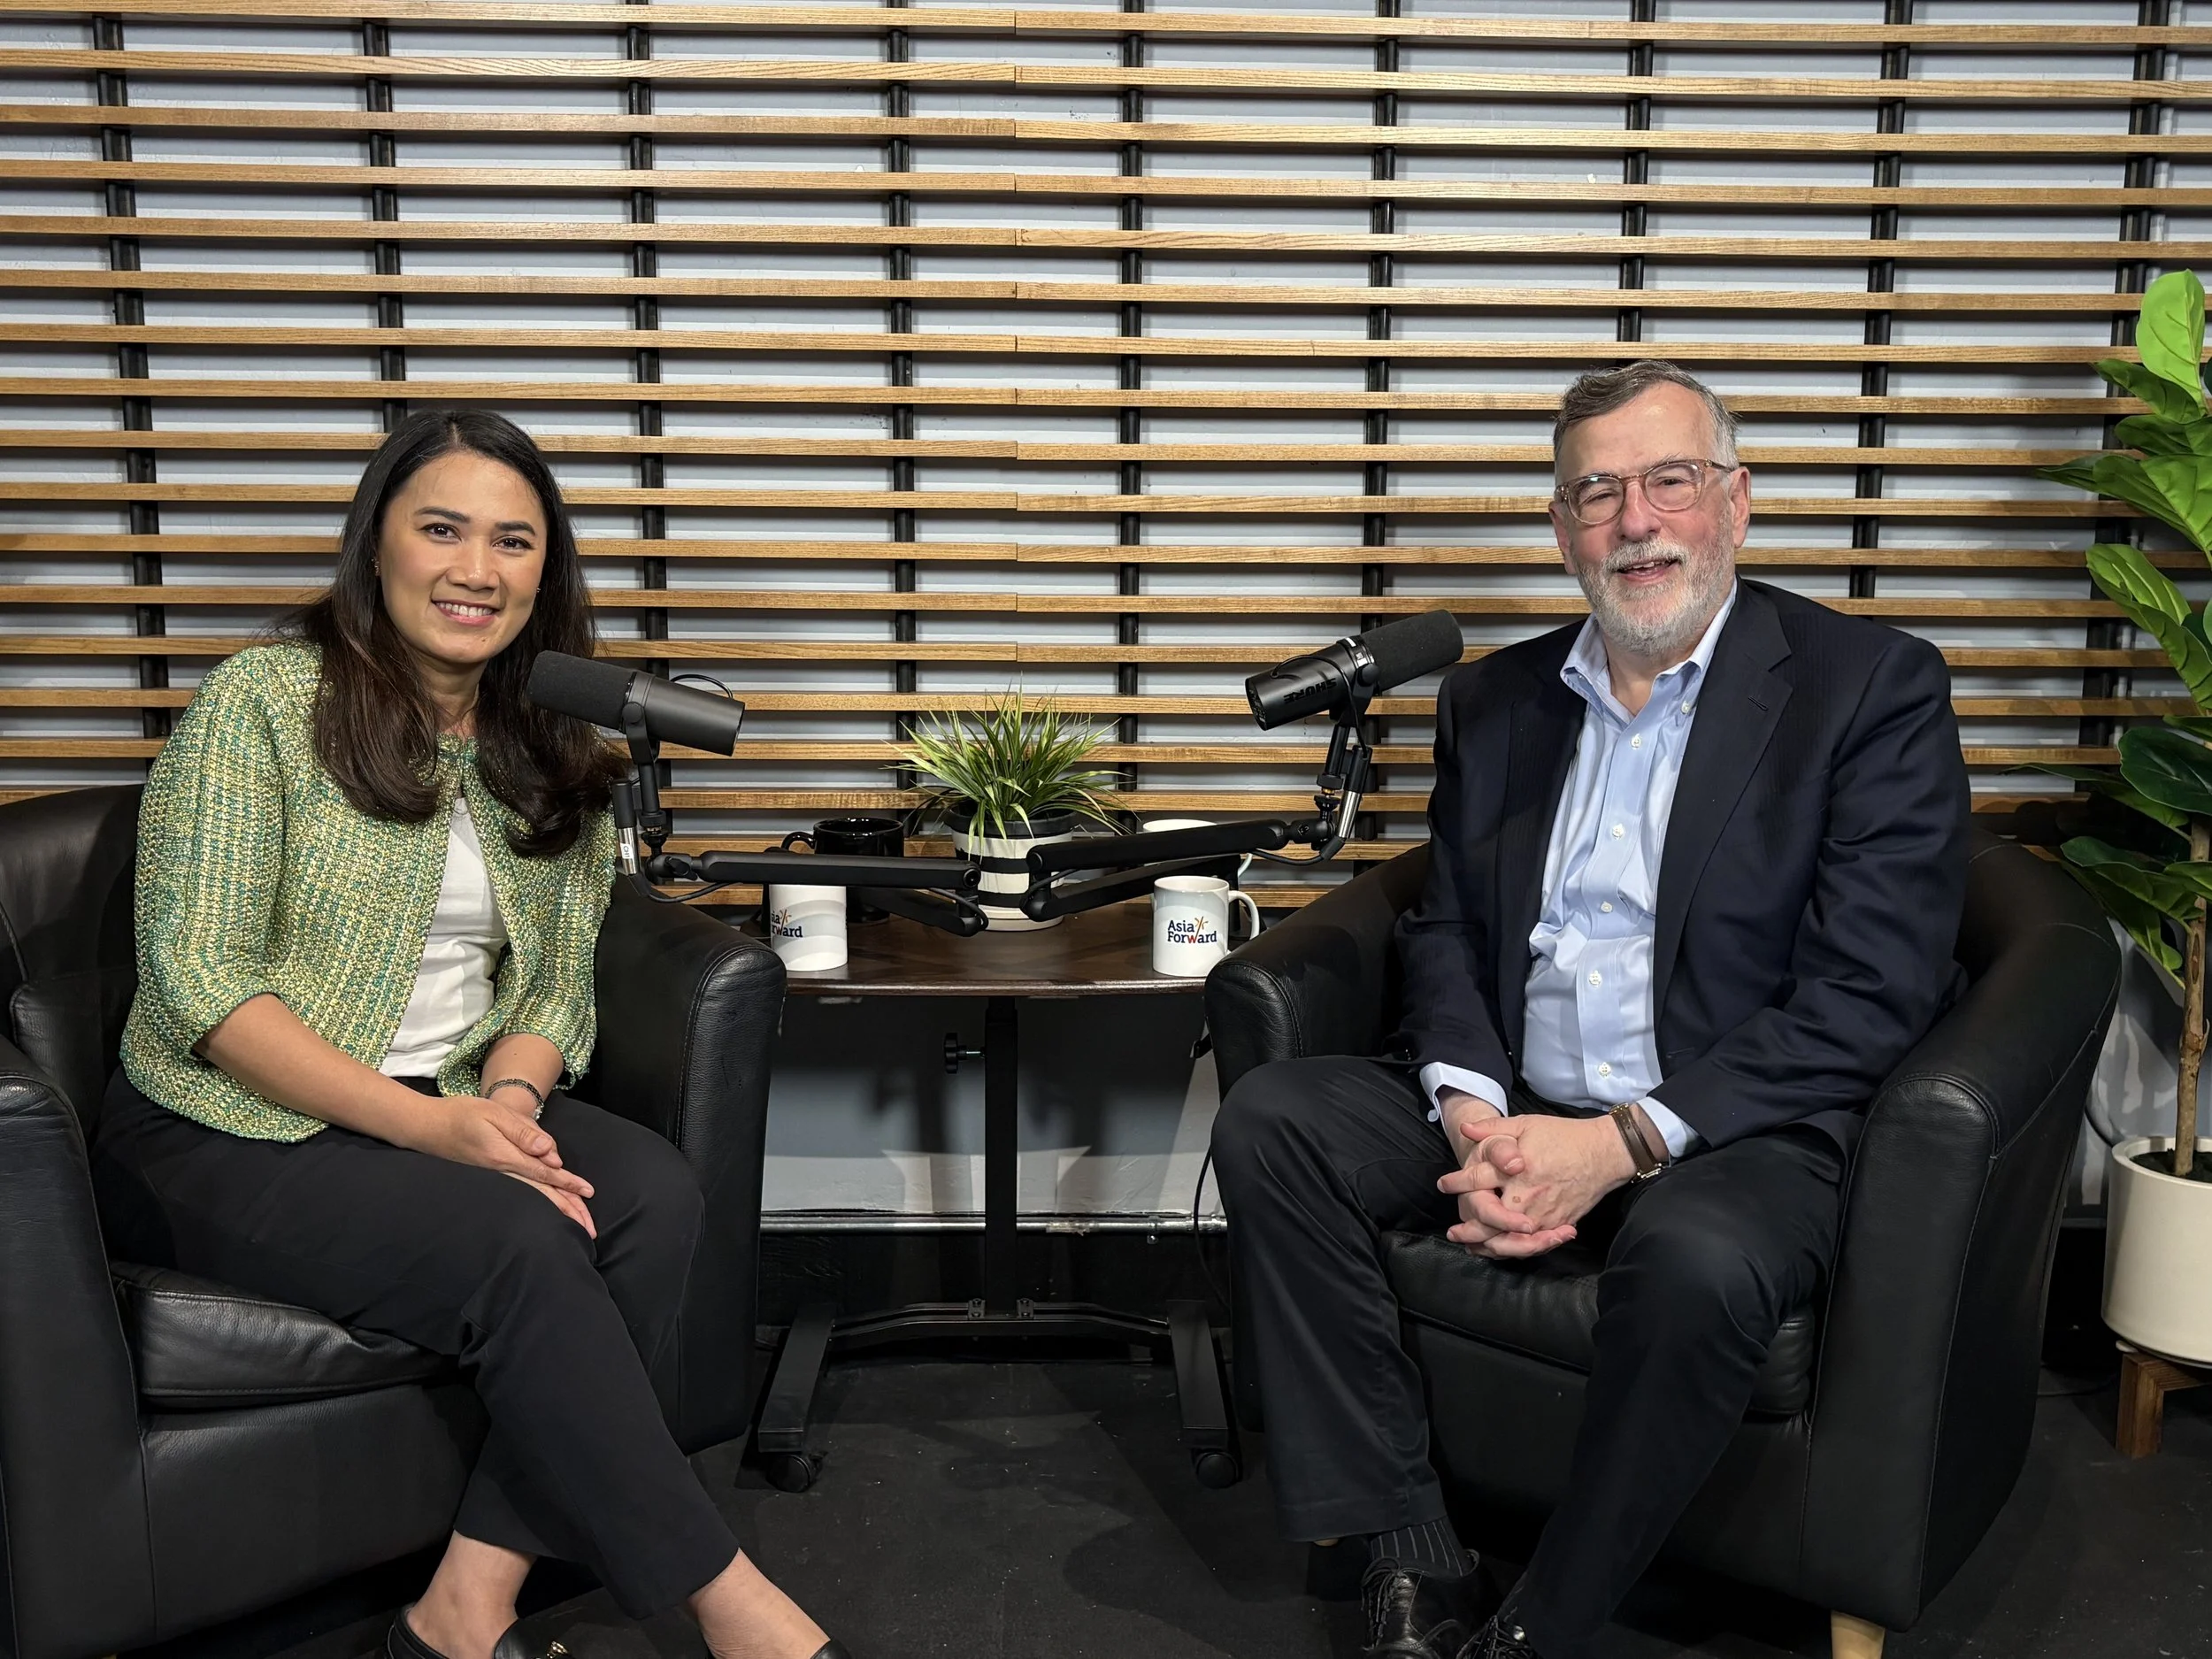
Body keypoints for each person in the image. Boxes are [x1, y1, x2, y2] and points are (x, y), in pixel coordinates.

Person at [1210, 361, 1970, 1659]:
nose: (1637, 520)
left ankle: (1539, 1629)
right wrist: (1472, 1115)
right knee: (1277, 1121)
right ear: (1562, 529)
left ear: (1735, 501)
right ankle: (1410, 1547)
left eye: (1670, 480)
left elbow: (1873, 990)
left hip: (1735, 1122)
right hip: (1521, 1096)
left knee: (1697, 1262)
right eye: (1597, 492)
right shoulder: (1493, 702)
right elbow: (1444, 923)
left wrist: (1616, 1144)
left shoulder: (1868, 689)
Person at [93, 410, 845, 1659]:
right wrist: (440, 1133)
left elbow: (554, 986)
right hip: (226, 1125)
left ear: (544, 573)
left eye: (513, 542)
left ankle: (460, 1610)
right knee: (519, 1241)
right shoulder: (264, 702)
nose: (475, 570)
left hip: (445, 1098)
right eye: (441, 528)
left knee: (650, 1193)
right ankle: (738, 1608)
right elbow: (204, 989)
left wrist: (509, 1101)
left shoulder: (542, 735)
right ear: (376, 543)